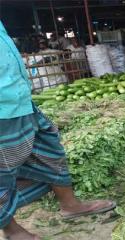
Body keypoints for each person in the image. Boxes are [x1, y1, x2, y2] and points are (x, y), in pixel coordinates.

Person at [0, 21, 115, 240]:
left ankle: (70, 204)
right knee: (2, 173)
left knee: (50, 147)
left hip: (19, 99)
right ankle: (12, 230)